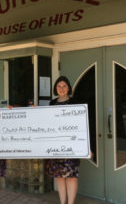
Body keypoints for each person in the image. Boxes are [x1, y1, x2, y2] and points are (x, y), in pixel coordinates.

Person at [45, 76, 80, 204]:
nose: (61, 89)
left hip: (71, 144)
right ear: (55, 88)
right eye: (59, 86)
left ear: (68, 88)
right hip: (55, 145)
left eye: (64, 86)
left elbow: (81, 125)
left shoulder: (75, 103)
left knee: (71, 175)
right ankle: (62, 202)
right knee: (59, 175)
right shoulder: (52, 104)